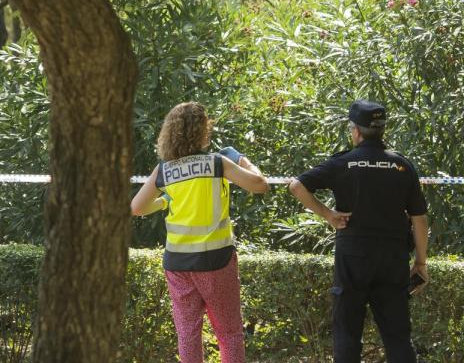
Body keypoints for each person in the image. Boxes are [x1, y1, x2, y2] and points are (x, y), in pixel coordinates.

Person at [289, 100, 428, 363]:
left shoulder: (344, 163)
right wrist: (420, 262)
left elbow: (297, 186)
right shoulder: (402, 165)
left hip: (353, 258)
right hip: (393, 258)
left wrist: (328, 215)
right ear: (382, 130)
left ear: (355, 131)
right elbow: (419, 219)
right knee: (397, 336)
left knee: (347, 334)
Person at [131, 102, 268, 363]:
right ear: (203, 130)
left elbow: (137, 208)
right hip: (216, 261)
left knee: (188, 334)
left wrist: (165, 202)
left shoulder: (165, 170)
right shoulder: (218, 163)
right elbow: (260, 186)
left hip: (178, 263)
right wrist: (242, 160)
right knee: (228, 333)